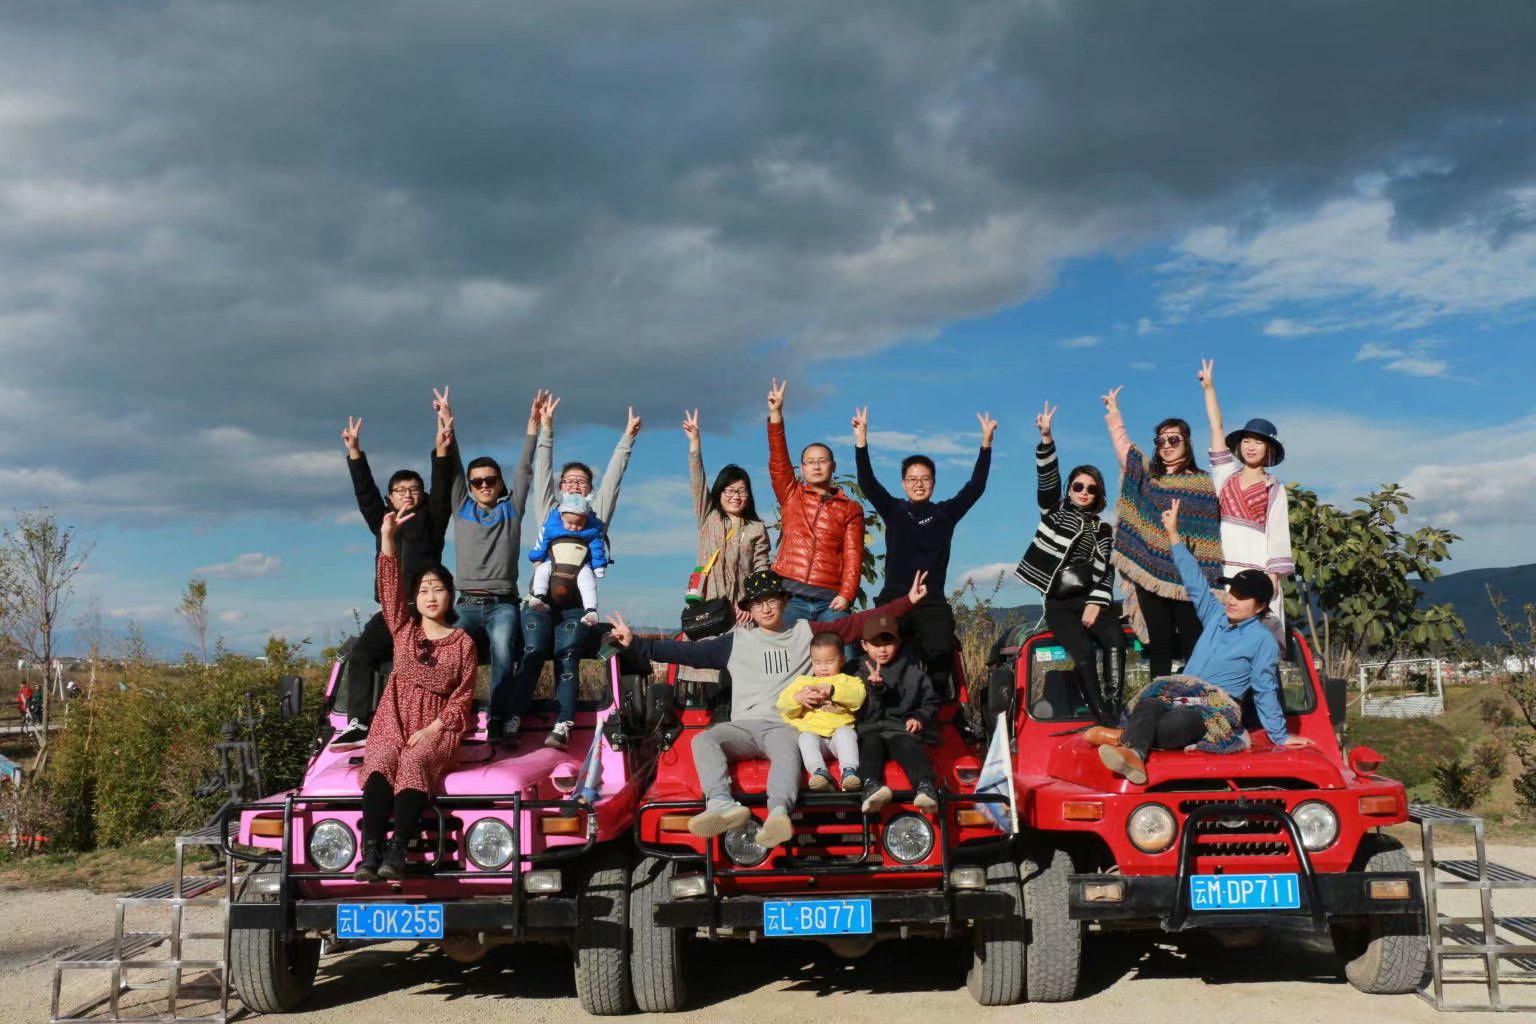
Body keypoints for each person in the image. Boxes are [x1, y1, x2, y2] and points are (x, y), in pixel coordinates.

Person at [607, 568, 929, 848]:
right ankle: (721, 803)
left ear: (784, 602)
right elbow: (683, 653)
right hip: (744, 726)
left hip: (785, 724)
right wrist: (636, 643)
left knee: (788, 750)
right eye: (758, 602)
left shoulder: (806, 633)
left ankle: (778, 813)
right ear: (749, 608)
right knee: (704, 739)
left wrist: (907, 602)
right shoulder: (735, 642)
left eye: (772, 600)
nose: (766, 608)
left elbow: (857, 624)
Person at [1090, 499, 1311, 785]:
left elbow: (1265, 690)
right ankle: (1133, 753)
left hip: (1216, 704)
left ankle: (1125, 736)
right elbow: (1195, 581)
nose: (1231, 599)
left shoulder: (1262, 641)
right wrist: (1173, 534)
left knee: (1177, 723)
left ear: (1260, 606)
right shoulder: (1216, 615)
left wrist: (1280, 736)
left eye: (1242, 597)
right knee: (1149, 703)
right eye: (1231, 592)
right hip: (1182, 692)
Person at [504, 398, 641, 747]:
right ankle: (513, 717)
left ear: (590, 490)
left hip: (577, 608)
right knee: (532, 654)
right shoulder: (548, 511)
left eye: (582, 481)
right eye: (569, 481)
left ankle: (563, 724)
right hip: (540, 603)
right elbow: (541, 471)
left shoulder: (596, 519)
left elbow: (614, 480)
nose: (575, 485)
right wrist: (547, 429)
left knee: (567, 659)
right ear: (560, 486)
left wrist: (627, 438)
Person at [354, 510, 477, 881]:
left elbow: (463, 697)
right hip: (393, 718)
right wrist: (387, 538)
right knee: (381, 760)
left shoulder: (463, 643)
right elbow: (389, 587)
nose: (430, 596)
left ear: (450, 595)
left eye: (437, 588)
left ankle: (398, 850)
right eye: (423, 590)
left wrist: (433, 729)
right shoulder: (403, 630)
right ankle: (370, 852)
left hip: (438, 727)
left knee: (414, 760)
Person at [853, 406, 994, 694]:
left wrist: (986, 444)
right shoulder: (894, 510)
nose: (919, 484)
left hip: (931, 602)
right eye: (913, 479)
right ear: (903, 483)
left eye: (925, 479)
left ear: (933, 483)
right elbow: (867, 482)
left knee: (940, 651)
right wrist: (861, 440)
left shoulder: (945, 514)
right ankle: (886, 704)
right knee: (882, 651)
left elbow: (975, 487)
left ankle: (936, 707)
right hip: (894, 599)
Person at [431, 387, 542, 744]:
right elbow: (452, 468)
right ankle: (445, 720)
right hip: (465, 603)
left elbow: (525, 470)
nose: (483, 485)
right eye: (477, 482)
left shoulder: (512, 508)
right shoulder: (461, 507)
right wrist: (446, 425)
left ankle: (497, 719)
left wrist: (533, 428)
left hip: (502, 605)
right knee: (444, 654)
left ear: (499, 483)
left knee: (504, 652)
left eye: (489, 480)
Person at [334, 414, 451, 749]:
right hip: (389, 612)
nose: (407, 495)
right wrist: (355, 453)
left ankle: (435, 724)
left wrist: (442, 448)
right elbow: (365, 493)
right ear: (390, 498)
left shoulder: (432, 521)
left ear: (422, 495)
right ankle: (358, 723)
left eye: (414, 489)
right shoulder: (381, 522)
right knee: (360, 656)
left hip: (424, 613)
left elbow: (442, 487)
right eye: (400, 491)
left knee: (424, 666)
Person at [1014, 401, 1125, 724]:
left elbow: (1106, 571)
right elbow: (1047, 481)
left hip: (1089, 599)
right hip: (1059, 603)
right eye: (1078, 486)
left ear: (1098, 494)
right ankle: (1101, 716)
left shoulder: (1103, 528)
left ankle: (1115, 710)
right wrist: (1047, 439)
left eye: (1091, 489)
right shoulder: (1055, 513)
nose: (1084, 492)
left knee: (1116, 639)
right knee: (1083, 651)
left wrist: (1096, 602)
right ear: (1070, 489)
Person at [1101, 385, 1222, 680]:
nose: (1166, 445)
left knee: (1194, 641)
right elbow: (1126, 453)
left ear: (1187, 443)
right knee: (1160, 643)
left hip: (1191, 578)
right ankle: (1157, 699)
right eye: (1160, 441)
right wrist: (1115, 415)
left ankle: (1196, 696)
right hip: (1153, 574)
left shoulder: (1205, 484)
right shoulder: (1149, 478)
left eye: (1173, 439)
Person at [1198, 360, 1293, 641]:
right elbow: (1216, 427)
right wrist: (1209, 389)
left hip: (1257, 567)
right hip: (1224, 564)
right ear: (1239, 446)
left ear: (1268, 450)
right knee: (1221, 632)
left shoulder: (1274, 487)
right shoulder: (1225, 474)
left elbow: (1277, 534)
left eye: (1259, 442)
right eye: (1247, 441)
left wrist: (1272, 579)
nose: (1251, 447)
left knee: (1260, 634)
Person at [678, 409, 773, 686]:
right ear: (719, 493)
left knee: (740, 678)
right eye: (729, 490)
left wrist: (751, 605)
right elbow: (697, 482)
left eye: (741, 490)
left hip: (741, 613)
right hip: (708, 611)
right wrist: (695, 444)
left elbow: (761, 571)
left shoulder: (756, 528)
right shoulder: (708, 517)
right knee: (708, 679)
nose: (736, 496)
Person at [766, 379, 864, 626]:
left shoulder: (851, 509)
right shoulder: (791, 494)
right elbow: (778, 461)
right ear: (802, 468)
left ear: (833, 466)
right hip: (789, 596)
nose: (816, 466)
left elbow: (853, 555)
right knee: (778, 648)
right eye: (810, 462)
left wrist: (847, 594)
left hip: (829, 600)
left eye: (822, 461)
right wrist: (776, 415)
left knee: (845, 647)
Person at [853, 612, 942, 814]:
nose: (882, 649)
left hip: (899, 729)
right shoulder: (854, 673)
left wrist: (919, 717)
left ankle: (925, 788)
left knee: (907, 745)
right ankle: (871, 786)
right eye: (876, 644)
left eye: (888, 642)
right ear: (864, 645)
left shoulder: (914, 673)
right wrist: (874, 690)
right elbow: (855, 709)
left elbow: (930, 702)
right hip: (868, 729)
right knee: (870, 744)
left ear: (898, 642)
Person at [775, 633, 866, 792]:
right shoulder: (803, 682)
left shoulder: (849, 681)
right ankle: (819, 773)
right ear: (811, 661)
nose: (823, 667)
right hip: (816, 737)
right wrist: (798, 698)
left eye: (829, 662)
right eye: (817, 662)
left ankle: (849, 772)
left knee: (846, 733)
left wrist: (833, 690)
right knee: (806, 738)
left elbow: (858, 698)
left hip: (838, 739)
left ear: (842, 660)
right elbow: (782, 704)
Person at [527, 492, 609, 627]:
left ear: (586, 519)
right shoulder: (552, 525)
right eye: (570, 523)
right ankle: (539, 596)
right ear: (561, 516)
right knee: (542, 570)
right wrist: (537, 557)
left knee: (588, 581)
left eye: (579, 523)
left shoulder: (592, 530)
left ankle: (590, 609)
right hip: (554, 562)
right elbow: (542, 541)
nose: (574, 527)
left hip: (581, 566)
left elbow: (597, 548)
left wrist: (598, 566)